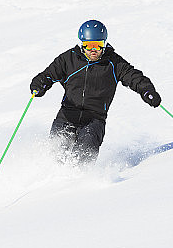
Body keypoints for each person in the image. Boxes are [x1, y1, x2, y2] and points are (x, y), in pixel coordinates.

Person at [30, 19, 161, 164]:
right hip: (67, 116)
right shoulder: (69, 59)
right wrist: (40, 84)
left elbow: (134, 77)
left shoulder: (113, 63)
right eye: (89, 45)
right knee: (56, 156)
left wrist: (147, 91)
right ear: (82, 44)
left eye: (98, 45)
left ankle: (81, 177)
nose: (94, 50)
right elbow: (49, 74)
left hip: (94, 120)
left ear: (104, 43)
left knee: (83, 158)